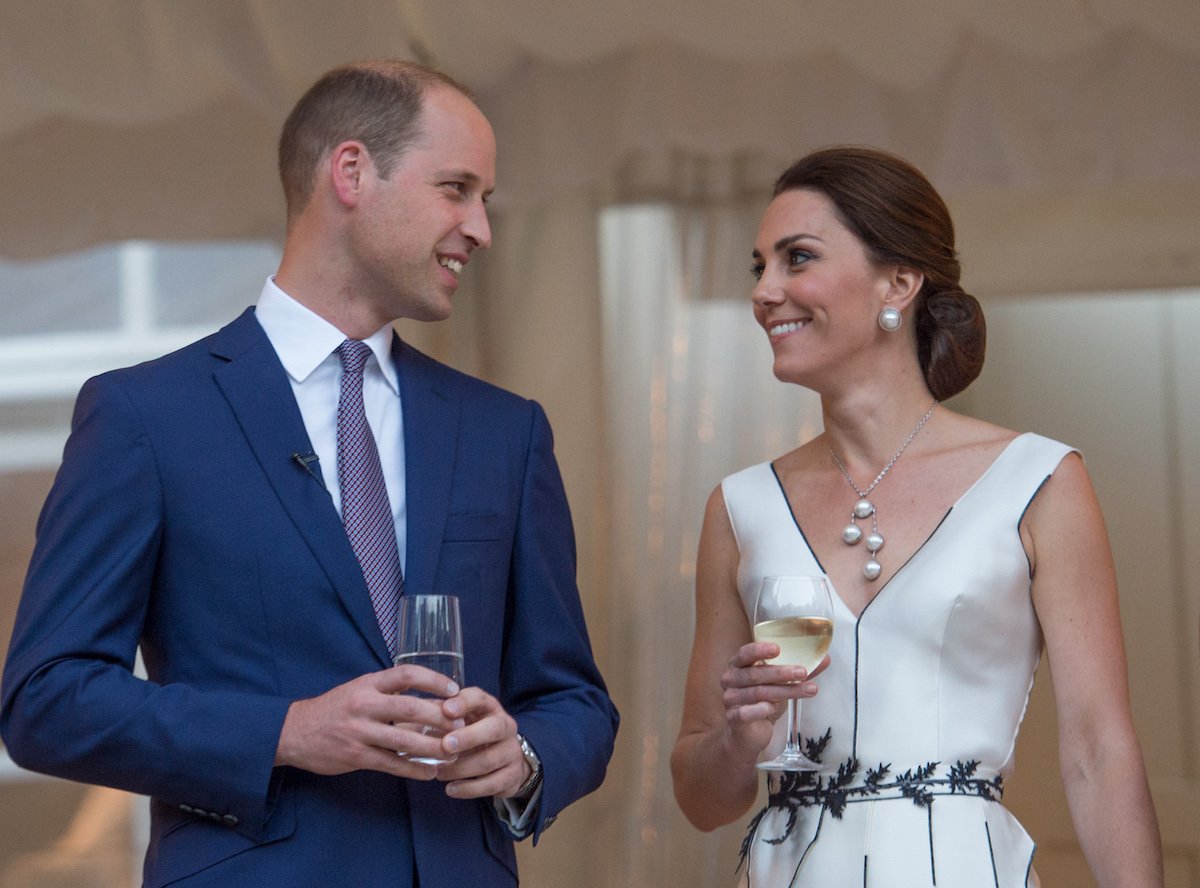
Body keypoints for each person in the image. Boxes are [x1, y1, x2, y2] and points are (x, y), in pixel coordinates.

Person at [1, 60, 618, 887]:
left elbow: (574, 699)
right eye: (457, 189)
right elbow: (46, 698)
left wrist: (524, 757)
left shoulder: (506, 432)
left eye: (486, 200)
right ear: (352, 172)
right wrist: (286, 730)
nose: (480, 228)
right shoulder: (145, 417)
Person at [670, 146, 1162, 886]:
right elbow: (701, 799)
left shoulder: (1040, 481)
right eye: (758, 266)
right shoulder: (740, 507)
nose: (765, 292)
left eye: (796, 258)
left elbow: (1098, 750)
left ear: (897, 282)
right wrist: (741, 739)